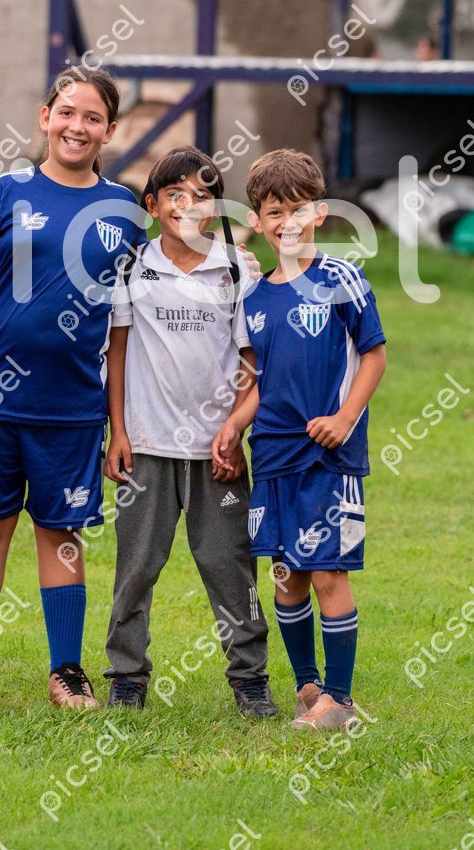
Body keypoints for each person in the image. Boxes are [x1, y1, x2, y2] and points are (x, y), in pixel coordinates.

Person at [0, 66, 143, 713]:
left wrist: (120, 426)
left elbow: (127, 324)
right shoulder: (6, 193)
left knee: (62, 537)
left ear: (111, 129)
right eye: (67, 112)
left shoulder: (124, 212)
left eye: (92, 117)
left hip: (72, 411)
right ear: (45, 116)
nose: (77, 126)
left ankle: (67, 673)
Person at [212, 149, 386, 730]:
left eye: (298, 210)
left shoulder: (340, 277)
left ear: (319, 213)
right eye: (274, 212)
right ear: (257, 221)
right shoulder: (255, 298)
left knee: (329, 572)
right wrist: (236, 425)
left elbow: (374, 356)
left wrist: (344, 418)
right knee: (287, 575)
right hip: (273, 456)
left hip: (328, 457)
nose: (287, 222)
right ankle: (308, 689)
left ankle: (341, 699)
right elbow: (261, 381)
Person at [103, 146, 277, 717]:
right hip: (147, 444)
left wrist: (233, 429)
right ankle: (127, 676)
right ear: (153, 205)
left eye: (202, 196)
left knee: (230, 566)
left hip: (216, 449)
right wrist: (118, 431)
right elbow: (117, 352)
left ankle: (249, 678)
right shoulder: (133, 268)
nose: (188, 205)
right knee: (136, 567)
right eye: (175, 195)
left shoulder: (236, 270)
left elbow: (252, 360)